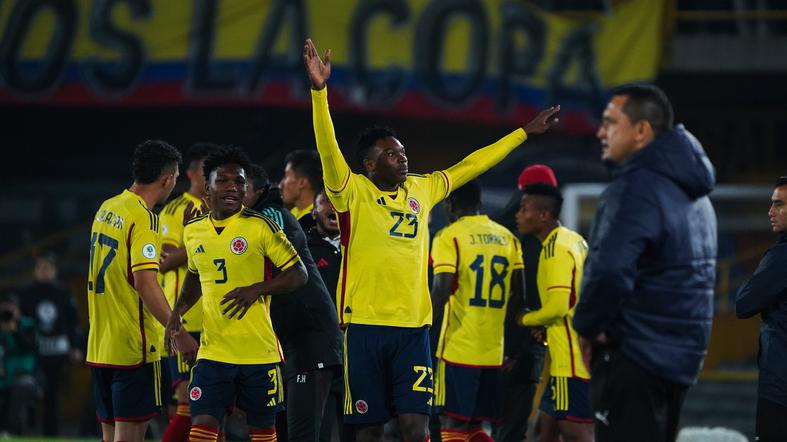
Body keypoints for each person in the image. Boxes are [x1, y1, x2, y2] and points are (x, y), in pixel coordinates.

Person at [303, 37, 559, 442]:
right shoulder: (350, 192)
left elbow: (471, 165)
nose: (402, 157)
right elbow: (328, 147)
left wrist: (522, 134)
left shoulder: (423, 190)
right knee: (368, 428)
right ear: (369, 165)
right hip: (363, 327)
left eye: (403, 152)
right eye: (391, 154)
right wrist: (320, 93)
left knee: (416, 426)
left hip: (414, 331)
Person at [572, 84, 717, 442]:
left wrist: (587, 326)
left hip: (634, 357)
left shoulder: (636, 188)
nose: (600, 132)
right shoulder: (695, 194)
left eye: (610, 122)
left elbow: (609, 270)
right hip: (679, 359)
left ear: (641, 131)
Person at [164, 146, 308, 442]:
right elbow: (194, 274)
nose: (232, 187)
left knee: (262, 434)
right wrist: (176, 313)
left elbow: (299, 274)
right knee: (201, 428)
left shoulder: (260, 227)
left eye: (239, 182)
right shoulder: (193, 231)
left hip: (259, 353)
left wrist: (257, 289)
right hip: (214, 352)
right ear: (208, 187)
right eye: (223, 181)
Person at [86, 140, 197, 442]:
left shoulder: (107, 208)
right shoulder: (145, 218)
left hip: (101, 345)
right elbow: (146, 283)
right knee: (130, 437)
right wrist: (179, 332)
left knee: (111, 437)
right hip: (134, 347)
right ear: (168, 179)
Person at [244, 163, 343, 442]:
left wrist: (255, 289)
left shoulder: (270, 217)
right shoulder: (261, 216)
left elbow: (293, 274)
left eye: (241, 186)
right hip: (292, 340)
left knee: (304, 433)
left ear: (258, 191)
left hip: (310, 339)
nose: (234, 193)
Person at [430, 180, 524, 442]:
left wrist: (420, 325)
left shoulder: (449, 236)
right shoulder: (508, 238)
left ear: (450, 205)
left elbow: (442, 289)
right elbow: (520, 293)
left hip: (459, 346)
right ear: (480, 203)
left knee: (452, 424)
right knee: (478, 427)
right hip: (493, 349)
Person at [515, 184, 593, 442]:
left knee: (576, 431)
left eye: (525, 208)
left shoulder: (554, 248)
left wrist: (526, 318)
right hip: (573, 354)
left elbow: (558, 307)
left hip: (570, 363)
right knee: (542, 429)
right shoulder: (575, 240)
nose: (518, 214)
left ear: (544, 215)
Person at [491, 165, 557, 442]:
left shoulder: (493, 232)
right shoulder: (546, 243)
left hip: (486, 343)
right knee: (514, 428)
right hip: (524, 343)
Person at [158, 142, 218, 442]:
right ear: (192, 174)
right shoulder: (174, 209)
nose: (210, 179)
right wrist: (201, 235)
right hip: (186, 319)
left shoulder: (227, 209)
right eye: (205, 172)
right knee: (187, 402)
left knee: (216, 407)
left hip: (218, 319)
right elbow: (166, 262)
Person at [735, 175, 787, 442]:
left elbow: (743, 304)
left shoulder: (780, 257)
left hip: (779, 389)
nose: (770, 211)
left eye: (779, 204)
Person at [19, 252, 83, 436]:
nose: (43, 271)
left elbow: (73, 323)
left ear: (55, 270)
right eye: (40, 267)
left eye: (47, 267)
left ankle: (52, 435)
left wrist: (75, 346)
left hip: (58, 353)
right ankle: (25, 432)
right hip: (34, 354)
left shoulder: (63, 293)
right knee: (32, 394)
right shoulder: (26, 294)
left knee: (53, 397)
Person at [0, 292, 37, 436]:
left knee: (19, 388)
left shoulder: (27, 325)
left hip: (23, 374)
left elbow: (31, 347)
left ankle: (10, 432)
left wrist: (15, 331)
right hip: (3, 376)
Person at [280, 150, 323, 231]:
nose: (281, 184)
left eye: (287, 175)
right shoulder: (293, 212)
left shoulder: (317, 221)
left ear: (302, 182)